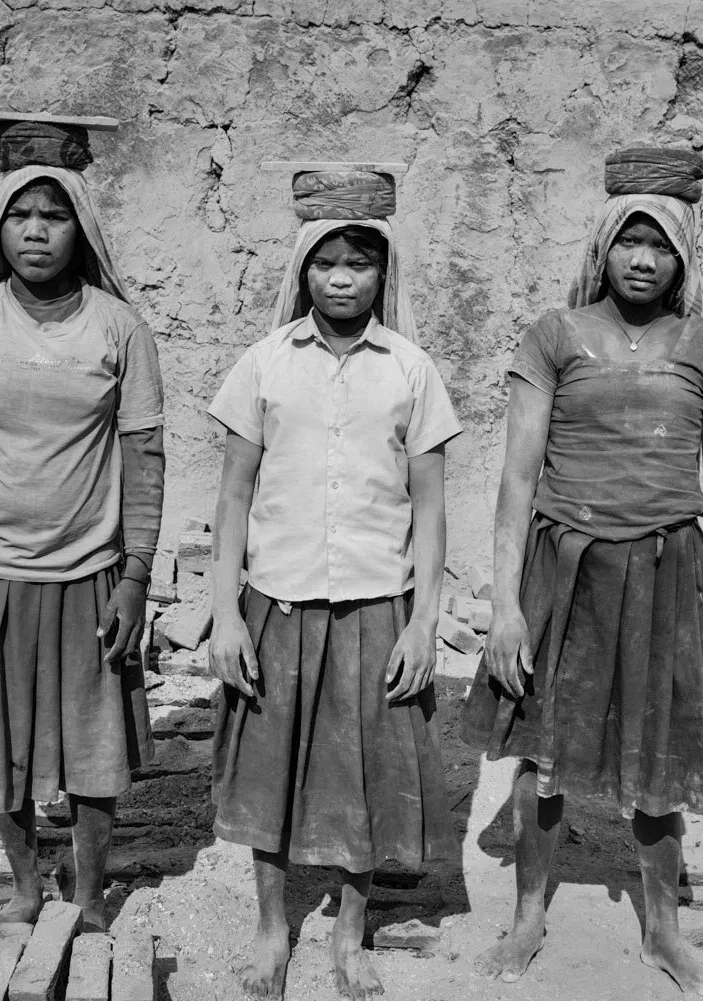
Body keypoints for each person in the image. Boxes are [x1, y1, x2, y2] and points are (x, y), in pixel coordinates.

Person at [460, 167, 703, 998]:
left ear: (682, 258)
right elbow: (517, 479)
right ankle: (528, 917)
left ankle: (663, 930)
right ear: (603, 248)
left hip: (666, 570)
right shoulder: (555, 335)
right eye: (629, 240)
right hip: (566, 568)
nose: (643, 259)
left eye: (660, 245)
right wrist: (505, 606)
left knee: (662, 750)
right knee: (542, 744)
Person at [207, 170, 461, 1000]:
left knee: (365, 777)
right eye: (326, 263)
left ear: (384, 272)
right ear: (303, 269)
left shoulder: (412, 370)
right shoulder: (264, 364)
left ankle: (350, 935)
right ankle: (271, 928)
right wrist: (225, 614)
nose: (342, 278)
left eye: (359, 263)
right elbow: (233, 496)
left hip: (375, 607)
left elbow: (430, 508)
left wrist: (423, 622)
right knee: (268, 773)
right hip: (277, 603)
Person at [0, 124, 165, 932]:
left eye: (55, 216)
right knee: (0, 742)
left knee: (95, 747)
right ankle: (24, 886)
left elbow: (145, 461)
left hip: (88, 573)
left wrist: (135, 576)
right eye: (22, 216)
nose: (37, 232)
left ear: (80, 227)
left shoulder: (120, 328)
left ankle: (88, 896)